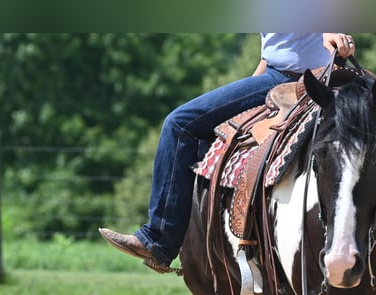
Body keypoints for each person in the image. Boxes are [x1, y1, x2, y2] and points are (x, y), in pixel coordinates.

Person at [99, 33, 356, 273]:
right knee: (214, 130)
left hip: (304, 79)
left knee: (179, 125)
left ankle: (159, 240)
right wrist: (249, 92)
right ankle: (211, 246)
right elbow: (273, 52)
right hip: (275, 76)